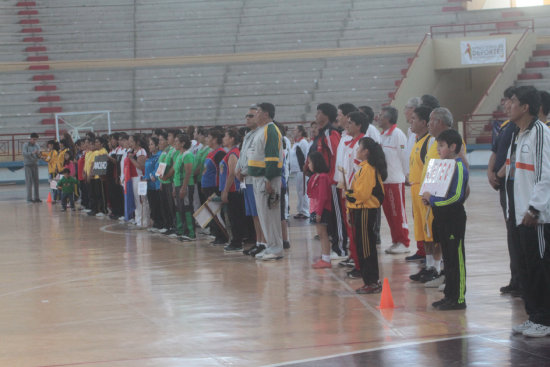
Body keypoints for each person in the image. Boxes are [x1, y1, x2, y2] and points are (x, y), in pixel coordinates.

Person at [503, 86, 550, 337]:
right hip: (519, 214)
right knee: (525, 268)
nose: (507, 105)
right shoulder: (517, 134)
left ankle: (545, 318)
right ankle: (533, 315)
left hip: (535, 217)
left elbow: (545, 175)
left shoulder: (540, 133)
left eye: (512, 101)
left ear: (525, 107)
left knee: (539, 266)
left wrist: (534, 208)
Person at [423, 129, 469, 310]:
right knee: (447, 259)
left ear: (453, 147)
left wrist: (432, 200)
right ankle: (449, 295)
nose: (438, 149)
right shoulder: (442, 166)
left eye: (441, 146)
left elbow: (456, 196)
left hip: (453, 218)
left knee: (456, 258)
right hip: (441, 217)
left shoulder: (458, 166)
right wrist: (427, 198)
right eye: (437, 145)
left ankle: (458, 298)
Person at [487, 86, 521, 296]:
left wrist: (499, 174)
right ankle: (515, 278)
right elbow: (496, 151)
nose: (505, 104)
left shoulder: (522, 129)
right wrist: (491, 171)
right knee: (511, 233)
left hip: (513, 184)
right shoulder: (506, 126)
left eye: (509, 100)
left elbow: (514, 157)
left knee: (517, 233)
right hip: (502, 185)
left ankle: (522, 280)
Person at [345, 137, 386, 294]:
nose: (356, 151)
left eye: (358, 148)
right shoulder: (363, 167)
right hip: (359, 210)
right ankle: (369, 281)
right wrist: (350, 208)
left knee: (367, 247)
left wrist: (348, 195)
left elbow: (362, 194)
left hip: (366, 211)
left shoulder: (368, 169)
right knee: (361, 246)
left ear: (365, 151)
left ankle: (372, 281)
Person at [248, 102, 284, 260]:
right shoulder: (261, 131)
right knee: (263, 214)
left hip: (266, 177)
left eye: (258, 112)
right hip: (257, 177)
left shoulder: (271, 130)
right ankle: (270, 246)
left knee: (271, 215)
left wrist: (269, 178)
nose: (255, 114)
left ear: (266, 114)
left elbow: (272, 156)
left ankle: (276, 248)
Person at [377, 106, 410, 254]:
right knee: (389, 214)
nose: (378, 117)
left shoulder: (398, 134)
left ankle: (403, 241)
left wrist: (407, 174)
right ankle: (395, 240)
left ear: (388, 118)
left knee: (398, 212)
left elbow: (404, 156)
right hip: (384, 181)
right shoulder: (382, 135)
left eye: (381, 115)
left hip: (396, 181)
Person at [236, 107, 267, 257]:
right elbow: (242, 154)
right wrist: (237, 169)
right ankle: (258, 242)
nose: (247, 118)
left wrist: (244, 171)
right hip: (246, 179)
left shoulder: (260, 133)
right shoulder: (248, 134)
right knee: (254, 213)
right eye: (246, 116)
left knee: (260, 213)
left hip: (254, 177)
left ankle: (264, 242)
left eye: (251, 116)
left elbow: (257, 157)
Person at [407, 106, 433, 263]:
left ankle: (435, 265)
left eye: (414, 119)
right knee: (422, 231)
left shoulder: (430, 142)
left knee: (430, 231)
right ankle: (428, 264)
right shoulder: (417, 140)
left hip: (425, 193)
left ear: (424, 122)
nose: (411, 122)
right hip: (415, 190)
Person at [220, 128, 246, 252]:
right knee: (235, 216)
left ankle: (237, 242)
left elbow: (231, 173)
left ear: (231, 139)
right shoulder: (233, 152)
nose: (223, 139)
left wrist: (225, 190)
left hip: (233, 190)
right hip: (234, 190)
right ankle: (237, 240)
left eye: (225, 136)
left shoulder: (233, 153)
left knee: (235, 217)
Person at [201, 128, 228, 245]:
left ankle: (223, 237)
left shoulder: (220, 153)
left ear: (215, 139)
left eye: (208, 137)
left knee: (217, 214)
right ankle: (217, 235)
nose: (206, 139)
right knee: (212, 214)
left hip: (214, 187)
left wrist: (220, 189)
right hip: (207, 187)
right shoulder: (210, 152)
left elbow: (222, 172)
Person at [307, 151, 333, 269]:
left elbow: (323, 197)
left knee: (323, 234)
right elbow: (310, 193)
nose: (308, 165)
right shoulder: (314, 176)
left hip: (321, 209)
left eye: (310, 162)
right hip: (315, 208)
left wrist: (318, 213)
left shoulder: (322, 177)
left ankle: (326, 258)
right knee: (320, 234)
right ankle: (324, 256)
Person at [172, 133, 195, 240]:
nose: (175, 143)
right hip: (177, 185)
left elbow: (188, 172)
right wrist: (174, 187)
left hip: (185, 185)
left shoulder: (187, 155)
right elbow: (176, 173)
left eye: (177, 141)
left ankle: (190, 233)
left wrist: (184, 187)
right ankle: (181, 230)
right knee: (180, 208)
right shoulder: (179, 155)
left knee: (187, 208)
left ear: (183, 143)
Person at [290, 125, 310, 219]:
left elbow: (306, 155)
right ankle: (300, 210)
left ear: (300, 132)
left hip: (302, 170)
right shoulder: (296, 143)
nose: (294, 131)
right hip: (296, 170)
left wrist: (305, 168)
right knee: (299, 191)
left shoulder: (303, 142)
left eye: (295, 129)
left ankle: (306, 211)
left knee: (303, 191)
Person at [144, 136, 162, 232]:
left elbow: (159, 170)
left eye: (151, 144)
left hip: (156, 185)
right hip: (149, 185)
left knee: (156, 205)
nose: (149, 146)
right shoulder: (150, 157)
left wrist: (153, 175)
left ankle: (159, 223)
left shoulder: (159, 156)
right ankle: (155, 222)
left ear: (157, 146)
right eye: (149, 144)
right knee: (152, 205)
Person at [23, 133, 42, 203]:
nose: (34, 141)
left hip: (35, 164)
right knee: (29, 181)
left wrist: (38, 154)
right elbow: (24, 154)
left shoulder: (37, 145)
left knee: (36, 181)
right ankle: (29, 199)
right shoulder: (25, 145)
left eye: (36, 140)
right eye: (33, 139)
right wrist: (32, 153)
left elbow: (39, 155)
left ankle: (37, 198)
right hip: (28, 165)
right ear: (30, 138)